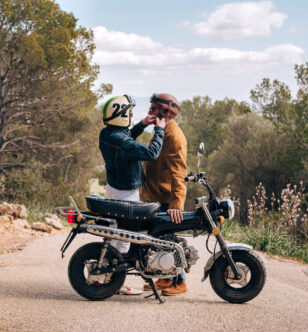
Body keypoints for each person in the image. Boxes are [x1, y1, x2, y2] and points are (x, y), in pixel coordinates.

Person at [99, 94, 166, 295]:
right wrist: (159, 129)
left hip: (115, 188)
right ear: (120, 115)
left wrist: (141, 124)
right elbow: (151, 153)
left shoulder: (107, 133)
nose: (132, 114)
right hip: (125, 192)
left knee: (115, 235)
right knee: (124, 238)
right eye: (129, 112)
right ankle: (113, 282)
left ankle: (108, 279)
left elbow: (126, 138)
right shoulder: (120, 140)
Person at [141, 93, 188, 296]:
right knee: (159, 239)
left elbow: (179, 172)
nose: (150, 111)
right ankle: (165, 278)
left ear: (166, 112)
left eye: (154, 108)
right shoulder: (162, 128)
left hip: (164, 197)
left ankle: (179, 282)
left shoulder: (174, 136)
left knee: (168, 240)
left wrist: (176, 204)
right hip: (155, 193)